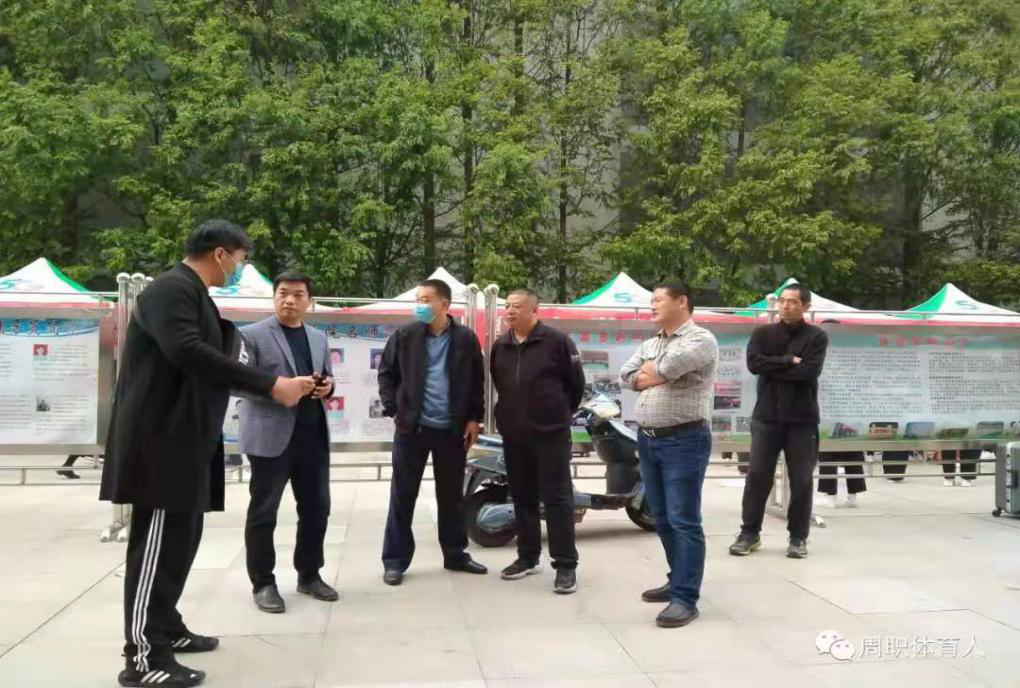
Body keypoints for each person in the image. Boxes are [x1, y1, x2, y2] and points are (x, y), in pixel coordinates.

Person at [99, 220, 314, 688]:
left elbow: (216, 351)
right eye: (239, 259)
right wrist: (270, 384)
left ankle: (166, 626)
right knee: (156, 548)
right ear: (220, 253)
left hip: (187, 441)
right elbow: (187, 351)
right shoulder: (170, 290)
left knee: (182, 541)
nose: (238, 269)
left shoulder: (195, 296)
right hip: (160, 445)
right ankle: (143, 657)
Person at [238, 271, 338, 613]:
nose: (289, 300)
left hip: (312, 436)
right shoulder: (250, 335)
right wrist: (280, 388)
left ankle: (309, 575)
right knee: (264, 511)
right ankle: (263, 583)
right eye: (283, 293)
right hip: (270, 438)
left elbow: (326, 376)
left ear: (309, 301)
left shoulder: (318, 338)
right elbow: (237, 383)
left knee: (316, 509)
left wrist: (328, 387)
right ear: (274, 296)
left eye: (297, 294)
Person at [620, 281, 718, 629]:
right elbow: (627, 375)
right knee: (660, 517)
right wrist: (652, 373)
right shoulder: (651, 342)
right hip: (649, 440)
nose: (652, 305)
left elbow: (663, 369)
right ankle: (678, 579)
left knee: (683, 519)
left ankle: (685, 598)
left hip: (684, 440)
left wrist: (653, 372)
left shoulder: (701, 340)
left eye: (658, 299)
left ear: (682, 301)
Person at [377, 278, 488, 585]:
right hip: (412, 429)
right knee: (403, 496)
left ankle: (455, 555)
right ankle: (395, 561)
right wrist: (395, 410)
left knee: (451, 497)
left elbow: (476, 381)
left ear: (444, 304)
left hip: (452, 430)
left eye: (425, 300)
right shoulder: (405, 335)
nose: (419, 305)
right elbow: (386, 374)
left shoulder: (465, 338)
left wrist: (474, 419)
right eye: (417, 300)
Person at [490, 289, 586, 595]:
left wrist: (556, 415)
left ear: (534, 310)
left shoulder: (557, 342)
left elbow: (575, 385)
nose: (510, 311)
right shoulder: (500, 346)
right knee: (522, 497)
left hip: (551, 435)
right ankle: (527, 557)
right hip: (514, 436)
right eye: (507, 306)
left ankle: (565, 565)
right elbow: (501, 385)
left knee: (557, 499)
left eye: (517, 306)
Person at [729, 283, 829, 560]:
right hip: (766, 418)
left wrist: (773, 366)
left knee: (801, 480)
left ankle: (798, 538)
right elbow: (754, 365)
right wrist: (787, 360)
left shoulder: (817, 337)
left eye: (793, 302)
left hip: (802, 420)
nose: (785, 306)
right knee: (757, 476)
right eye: (782, 301)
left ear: (806, 306)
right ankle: (749, 533)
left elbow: (809, 371)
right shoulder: (762, 333)